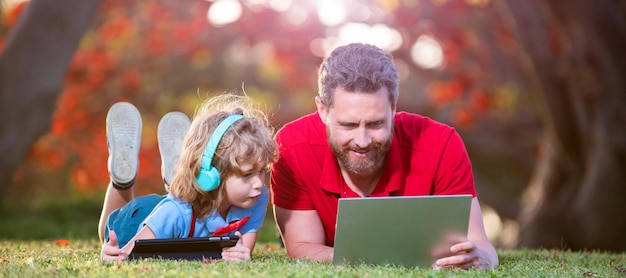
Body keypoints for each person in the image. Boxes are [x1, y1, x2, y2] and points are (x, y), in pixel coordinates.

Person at [270, 43, 499, 269]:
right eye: (348, 125)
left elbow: (480, 245)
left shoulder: (441, 144)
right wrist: (372, 264)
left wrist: (480, 259)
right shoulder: (292, 147)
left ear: (393, 107)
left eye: (376, 123)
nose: (362, 141)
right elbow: (303, 245)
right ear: (322, 110)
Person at [98, 93, 278, 262]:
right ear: (210, 175)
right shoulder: (176, 211)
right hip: (138, 218)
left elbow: (243, 249)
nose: (259, 183)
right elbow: (125, 255)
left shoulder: (256, 196)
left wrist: (239, 255)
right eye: (247, 174)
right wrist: (112, 254)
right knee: (109, 227)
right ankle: (121, 183)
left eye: (262, 170)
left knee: (177, 210)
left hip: (179, 212)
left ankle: (177, 178)